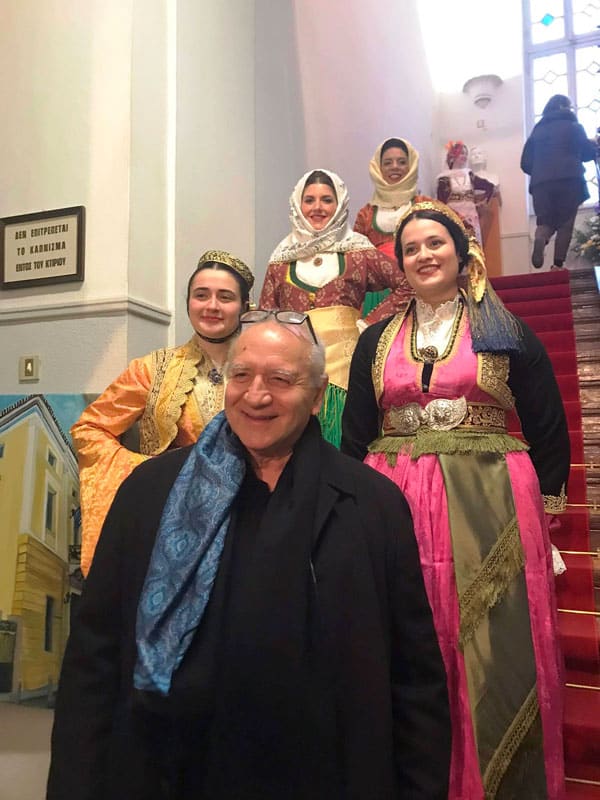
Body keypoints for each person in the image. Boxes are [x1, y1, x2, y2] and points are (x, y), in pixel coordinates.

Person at [47, 314, 451, 800]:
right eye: (241, 376)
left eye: (280, 379)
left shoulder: (372, 504)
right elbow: (94, 657)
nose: (256, 396)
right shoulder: (149, 494)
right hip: (173, 769)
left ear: (317, 396)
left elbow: (413, 677)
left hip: (324, 772)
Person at [341, 198, 570, 800]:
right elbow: (355, 434)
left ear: (462, 252)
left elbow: (548, 425)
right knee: (407, 637)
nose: (423, 255)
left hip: (489, 500)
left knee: (491, 649)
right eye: (411, 248)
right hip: (395, 501)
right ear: (400, 264)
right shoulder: (375, 340)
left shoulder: (504, 330)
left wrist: (546, 518)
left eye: (435, 243)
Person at [72, 250, 254, 575]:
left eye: (225, 297)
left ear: (245, 307)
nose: (211, 306)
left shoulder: (263, 368)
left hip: (251, 511)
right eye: (201, 295)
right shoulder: (152, 369)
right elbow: (90, 429)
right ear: (188, 302)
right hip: (173, 521)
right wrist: (143, 470)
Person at [260, 168, 412, 446]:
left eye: (327, 200)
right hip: (294, 373)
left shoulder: (358, 251)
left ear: (340, 203)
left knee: (346, 443)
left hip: (348, 371)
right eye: (309, 200)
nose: (317, 207)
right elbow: (266, 318)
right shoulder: (280, 260)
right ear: (297, 204)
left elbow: (408, 284)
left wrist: (369, 325)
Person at [520, 94, 597, 270]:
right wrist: (593, 145)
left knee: (545, 222)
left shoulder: (537, 130)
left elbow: (525, 162)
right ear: (566, 108)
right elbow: (587, 153)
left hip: (541, 185)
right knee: (565, 223)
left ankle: (541, 237)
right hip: (569, 180)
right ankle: (557, 265)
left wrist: (541, 172)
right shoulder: (574, 127)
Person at [354, 137, 419, 255]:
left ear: (411, 166)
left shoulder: (426, 206)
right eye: (387, 163)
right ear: (378, 169)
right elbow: (356, 255)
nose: (395, 167)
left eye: (402, 162)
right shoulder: (365, 215)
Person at [436, 141, 494, 244]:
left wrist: (483, 202)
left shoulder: (469, 175)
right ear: (453, 155)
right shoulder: (443, 179)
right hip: (454, 219)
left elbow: (489, 186)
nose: (465, 156)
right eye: (462, 153)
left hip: (471, 218)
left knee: (474, 246)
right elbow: (441, 203)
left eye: (466, 154)